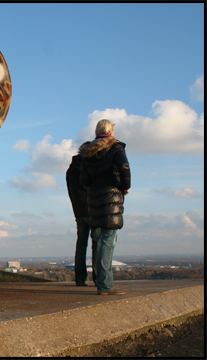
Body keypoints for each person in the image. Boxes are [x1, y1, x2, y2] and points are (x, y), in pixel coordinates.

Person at [79, 119, 131, 295]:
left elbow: (83, 179)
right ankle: (105, 285)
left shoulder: (88, 152)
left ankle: (102, 282)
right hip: (111, 199)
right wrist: (125, 186)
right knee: (108, 242)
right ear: (110, 132)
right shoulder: (115, 147)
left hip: (94, 200)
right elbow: (124, 166)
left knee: (99, 241)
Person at [66, 154, 100, 286]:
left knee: (81, 244)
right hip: (92, 210)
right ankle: (98, 278)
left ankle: (80, 278)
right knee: (97, 244)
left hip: (78, 211)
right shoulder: (88, 167)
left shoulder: (70, 171)